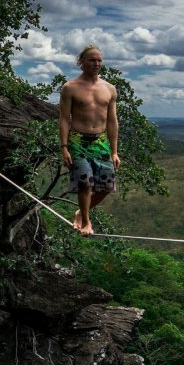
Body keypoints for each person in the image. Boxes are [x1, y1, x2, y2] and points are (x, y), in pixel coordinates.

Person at [59, 45, 121, 236]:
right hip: (78, 140)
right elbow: (63, 118)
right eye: (92, 60)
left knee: (106, 186)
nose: (97, 64)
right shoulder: (70, 88)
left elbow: (112, 121)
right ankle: (86, 222)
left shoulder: (109, 89)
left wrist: (114, 151)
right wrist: (64, 147)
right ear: (82, 62)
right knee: (86, 183)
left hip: (101, 141)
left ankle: (80, 213)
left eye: (99, 60)